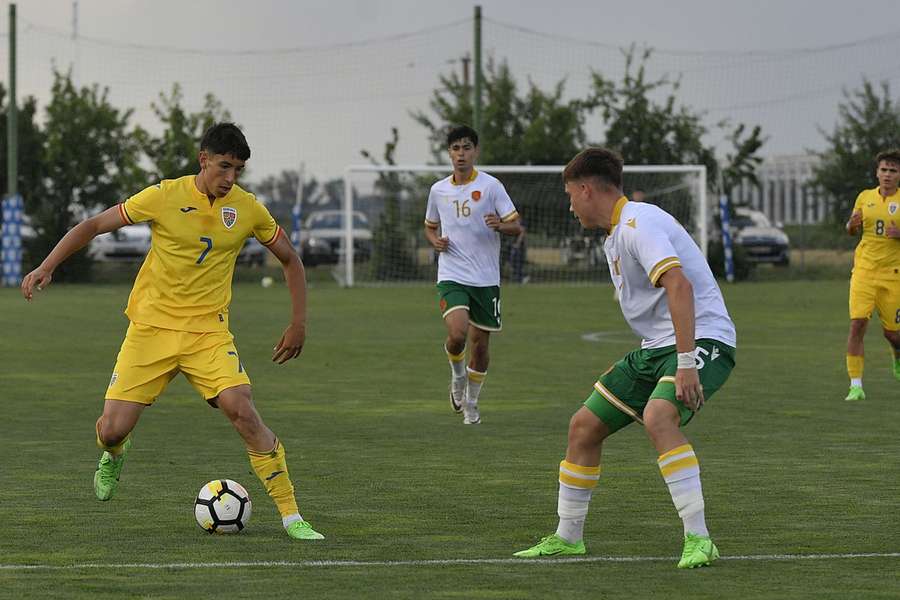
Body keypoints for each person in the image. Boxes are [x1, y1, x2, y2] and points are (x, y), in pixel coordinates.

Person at [21, 123, 324, 541]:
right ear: (203, 160)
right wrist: (47, 265)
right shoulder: (163, 196)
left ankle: (292, 517)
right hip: (150, 329)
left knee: (243, 410)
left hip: (208, 334)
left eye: (237, 169)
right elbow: (93, 226)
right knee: (111, 429)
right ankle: (114, 454)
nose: (230, 177)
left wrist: (298, 323)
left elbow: (291, 260)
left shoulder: (248, 208)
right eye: (224, 166)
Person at [514, 148, 736, 569]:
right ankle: (568, 538)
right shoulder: (616, 234)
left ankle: (700, 539)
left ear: (585, 189)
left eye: (570, 195)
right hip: (657, 349)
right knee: (583, 426)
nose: (569, 205)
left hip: (704, 340)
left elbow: (680, 286)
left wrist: (687, 362)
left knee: (658, 417)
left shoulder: (639, 224)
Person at [424, 125, 522, 425]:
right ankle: (457, 377)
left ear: (475, 151)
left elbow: (516, 226)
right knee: (457, 333)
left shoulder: (492, 186)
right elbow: (430, 225)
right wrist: (434, 240)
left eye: (466, 148)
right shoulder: (438, 190)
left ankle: (472, 403)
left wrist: (500, 225)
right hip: (452, 273)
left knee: (480, 347)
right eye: (456, 148)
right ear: (449, 153)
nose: (461, 154)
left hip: (486, 278)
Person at [843, 149, 900, 401]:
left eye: (893, 170)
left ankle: (897, 357)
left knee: (893, 334)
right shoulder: (864, 197)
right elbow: (852, 229)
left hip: (893, 275)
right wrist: (851, 225)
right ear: (877, 172)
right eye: (884, 170)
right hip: (864, 271)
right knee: (857, 324)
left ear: (899, 175)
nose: (887, 174)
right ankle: (856, 386)